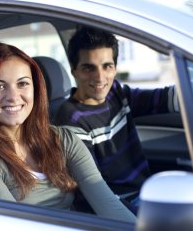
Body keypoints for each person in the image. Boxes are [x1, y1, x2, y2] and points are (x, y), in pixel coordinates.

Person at [0, 42, 136, 223]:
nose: (13, 96)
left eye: (22, 84)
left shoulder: (64, 139)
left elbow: (108, 205)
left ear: (36, 89)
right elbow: (13, 226)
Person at [54, 27, 180, 212]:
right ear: (74, 71)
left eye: (107, 66)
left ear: (115, 68)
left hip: (144, 192)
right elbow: (93, 191)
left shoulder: (116, 94)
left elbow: (169, 98)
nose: (99, 77)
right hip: (117, 207)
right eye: (89, 68)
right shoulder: (70, 120)